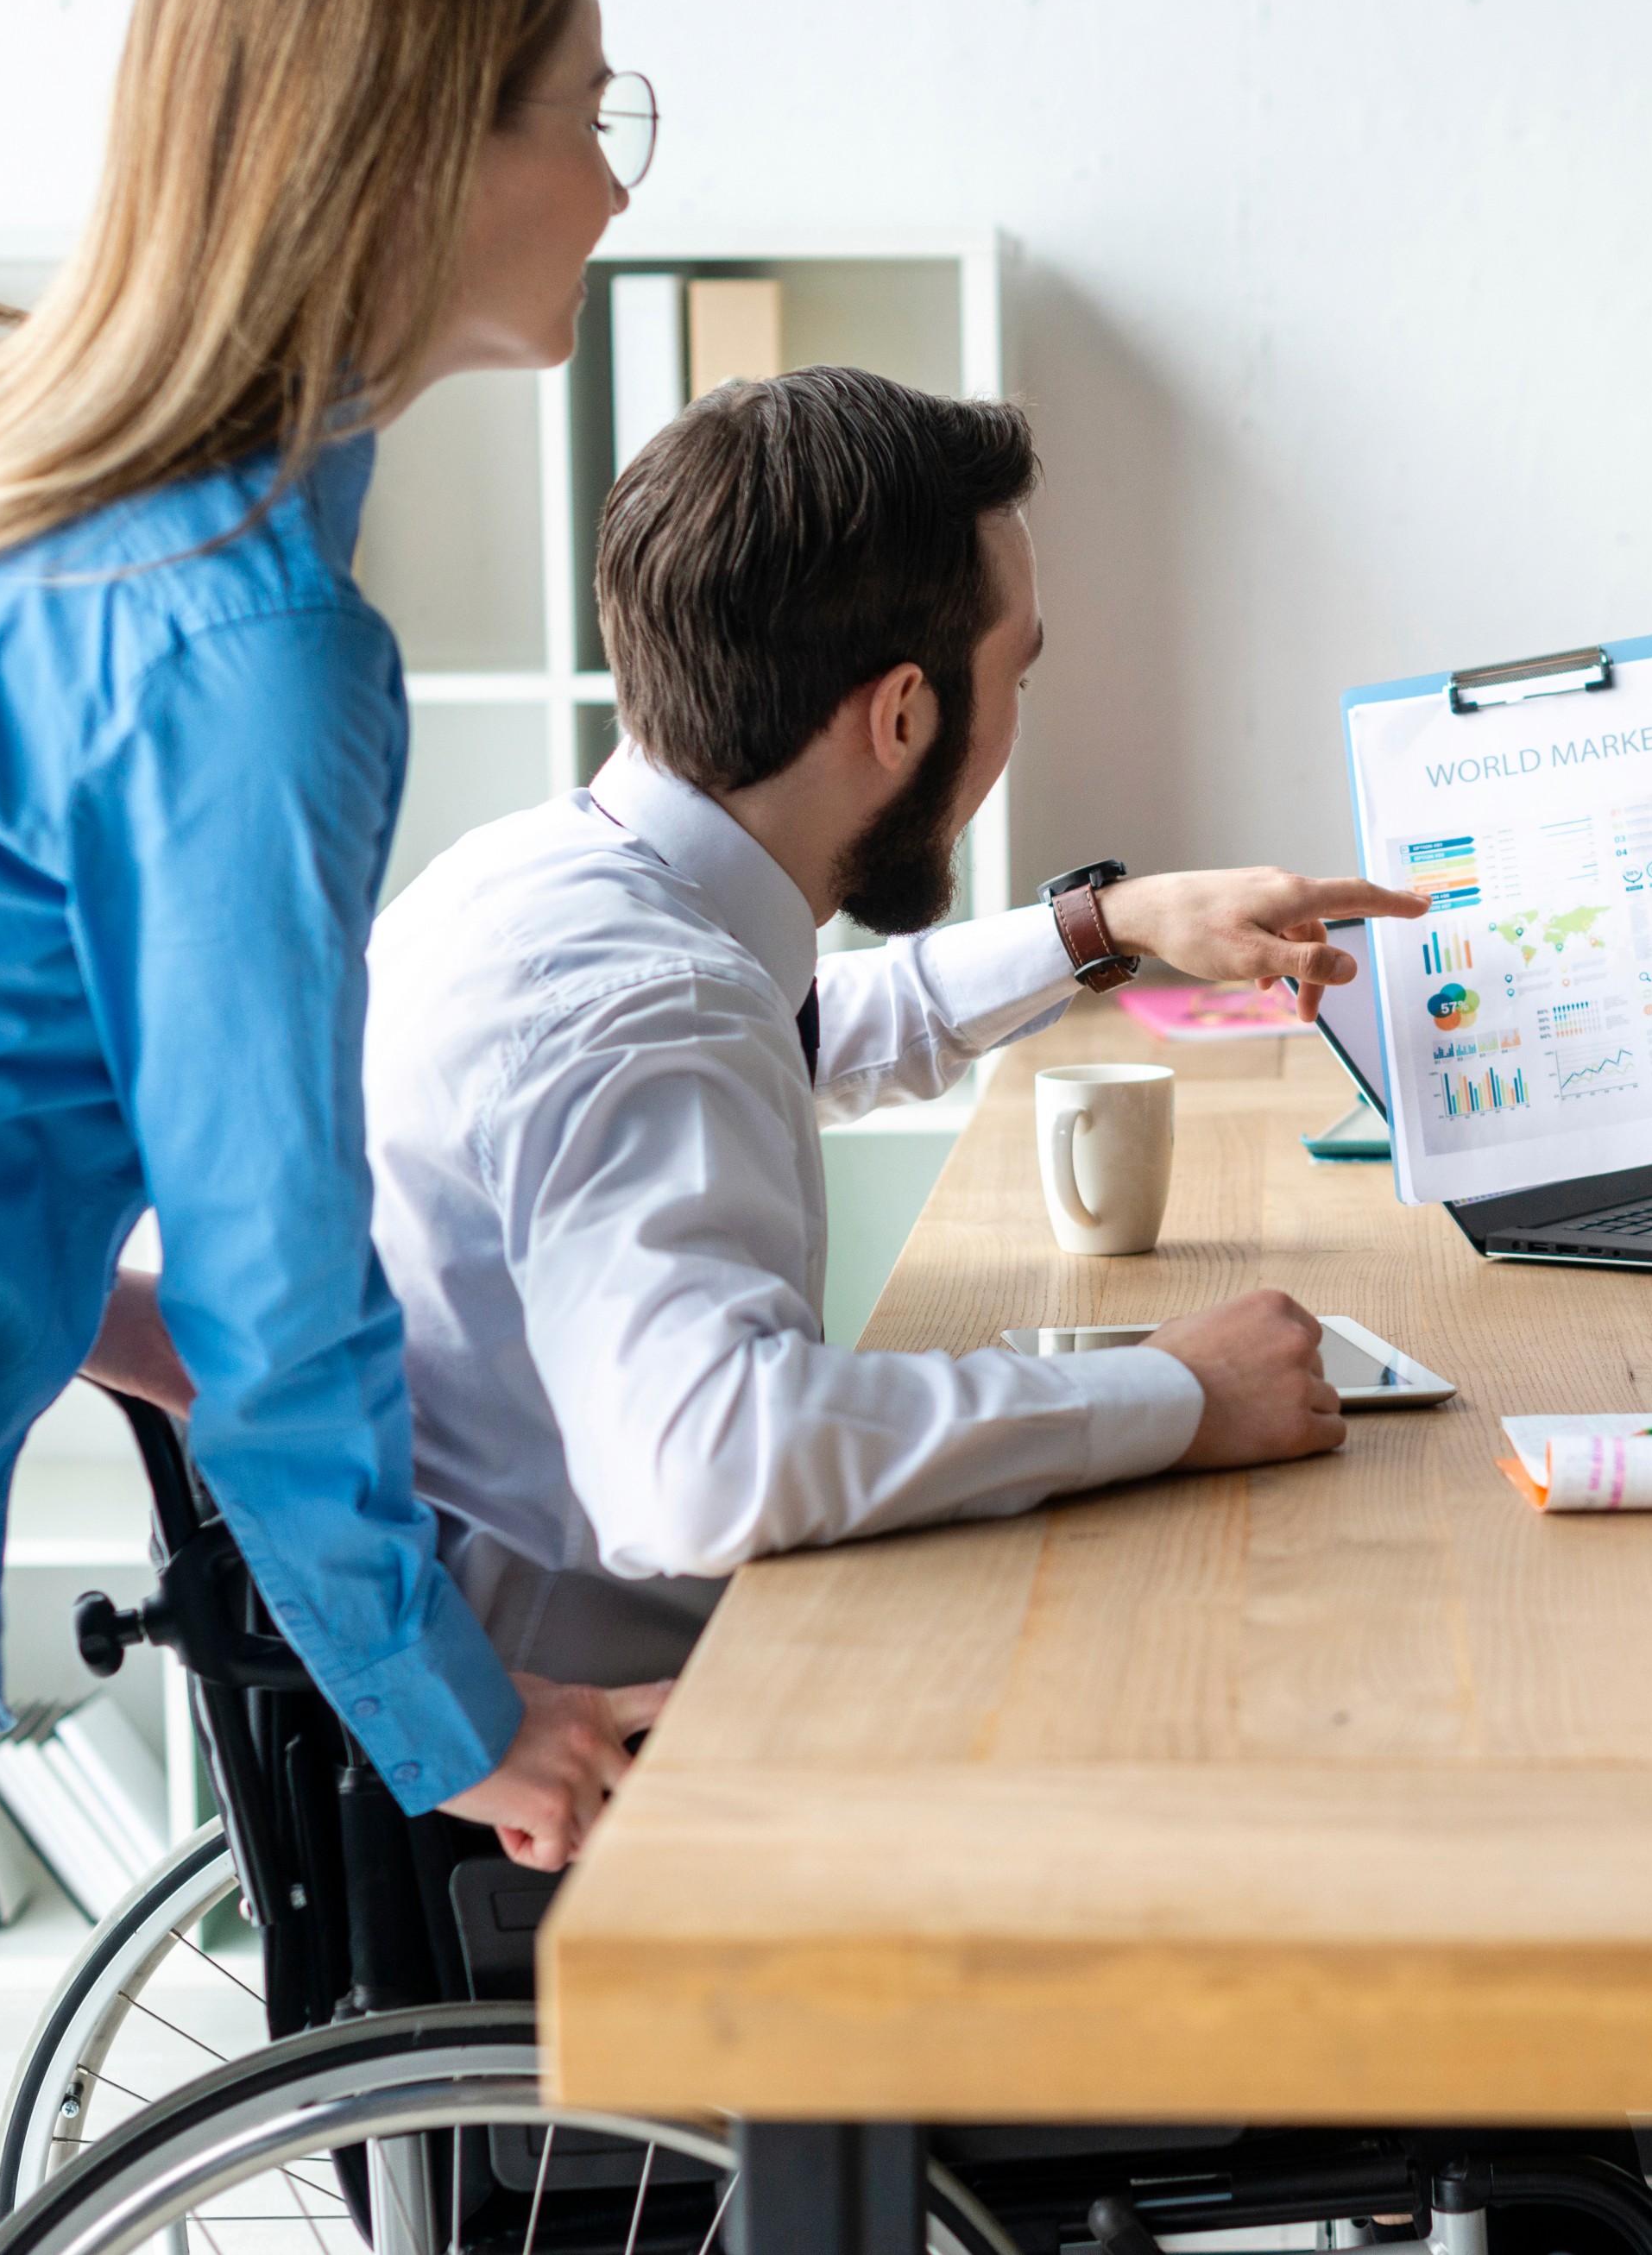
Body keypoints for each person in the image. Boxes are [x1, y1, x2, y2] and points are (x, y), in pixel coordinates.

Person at [0, 0, 666, 2247]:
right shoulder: (253, 640)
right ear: (417, 148)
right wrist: (459, 1718)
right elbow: (280, 1272)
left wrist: (84, 1308)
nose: (615, 184)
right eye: (582, 113)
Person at [337, 364, 1425, 1681]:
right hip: (670, 1718)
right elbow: (711, 1461)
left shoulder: (544, 886)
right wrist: (1176, 1393)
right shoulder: (652, 1001)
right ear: (903, 714)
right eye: (1016, 674)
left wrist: (1109, 922)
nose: (1014, 719)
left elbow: (781, 1042)